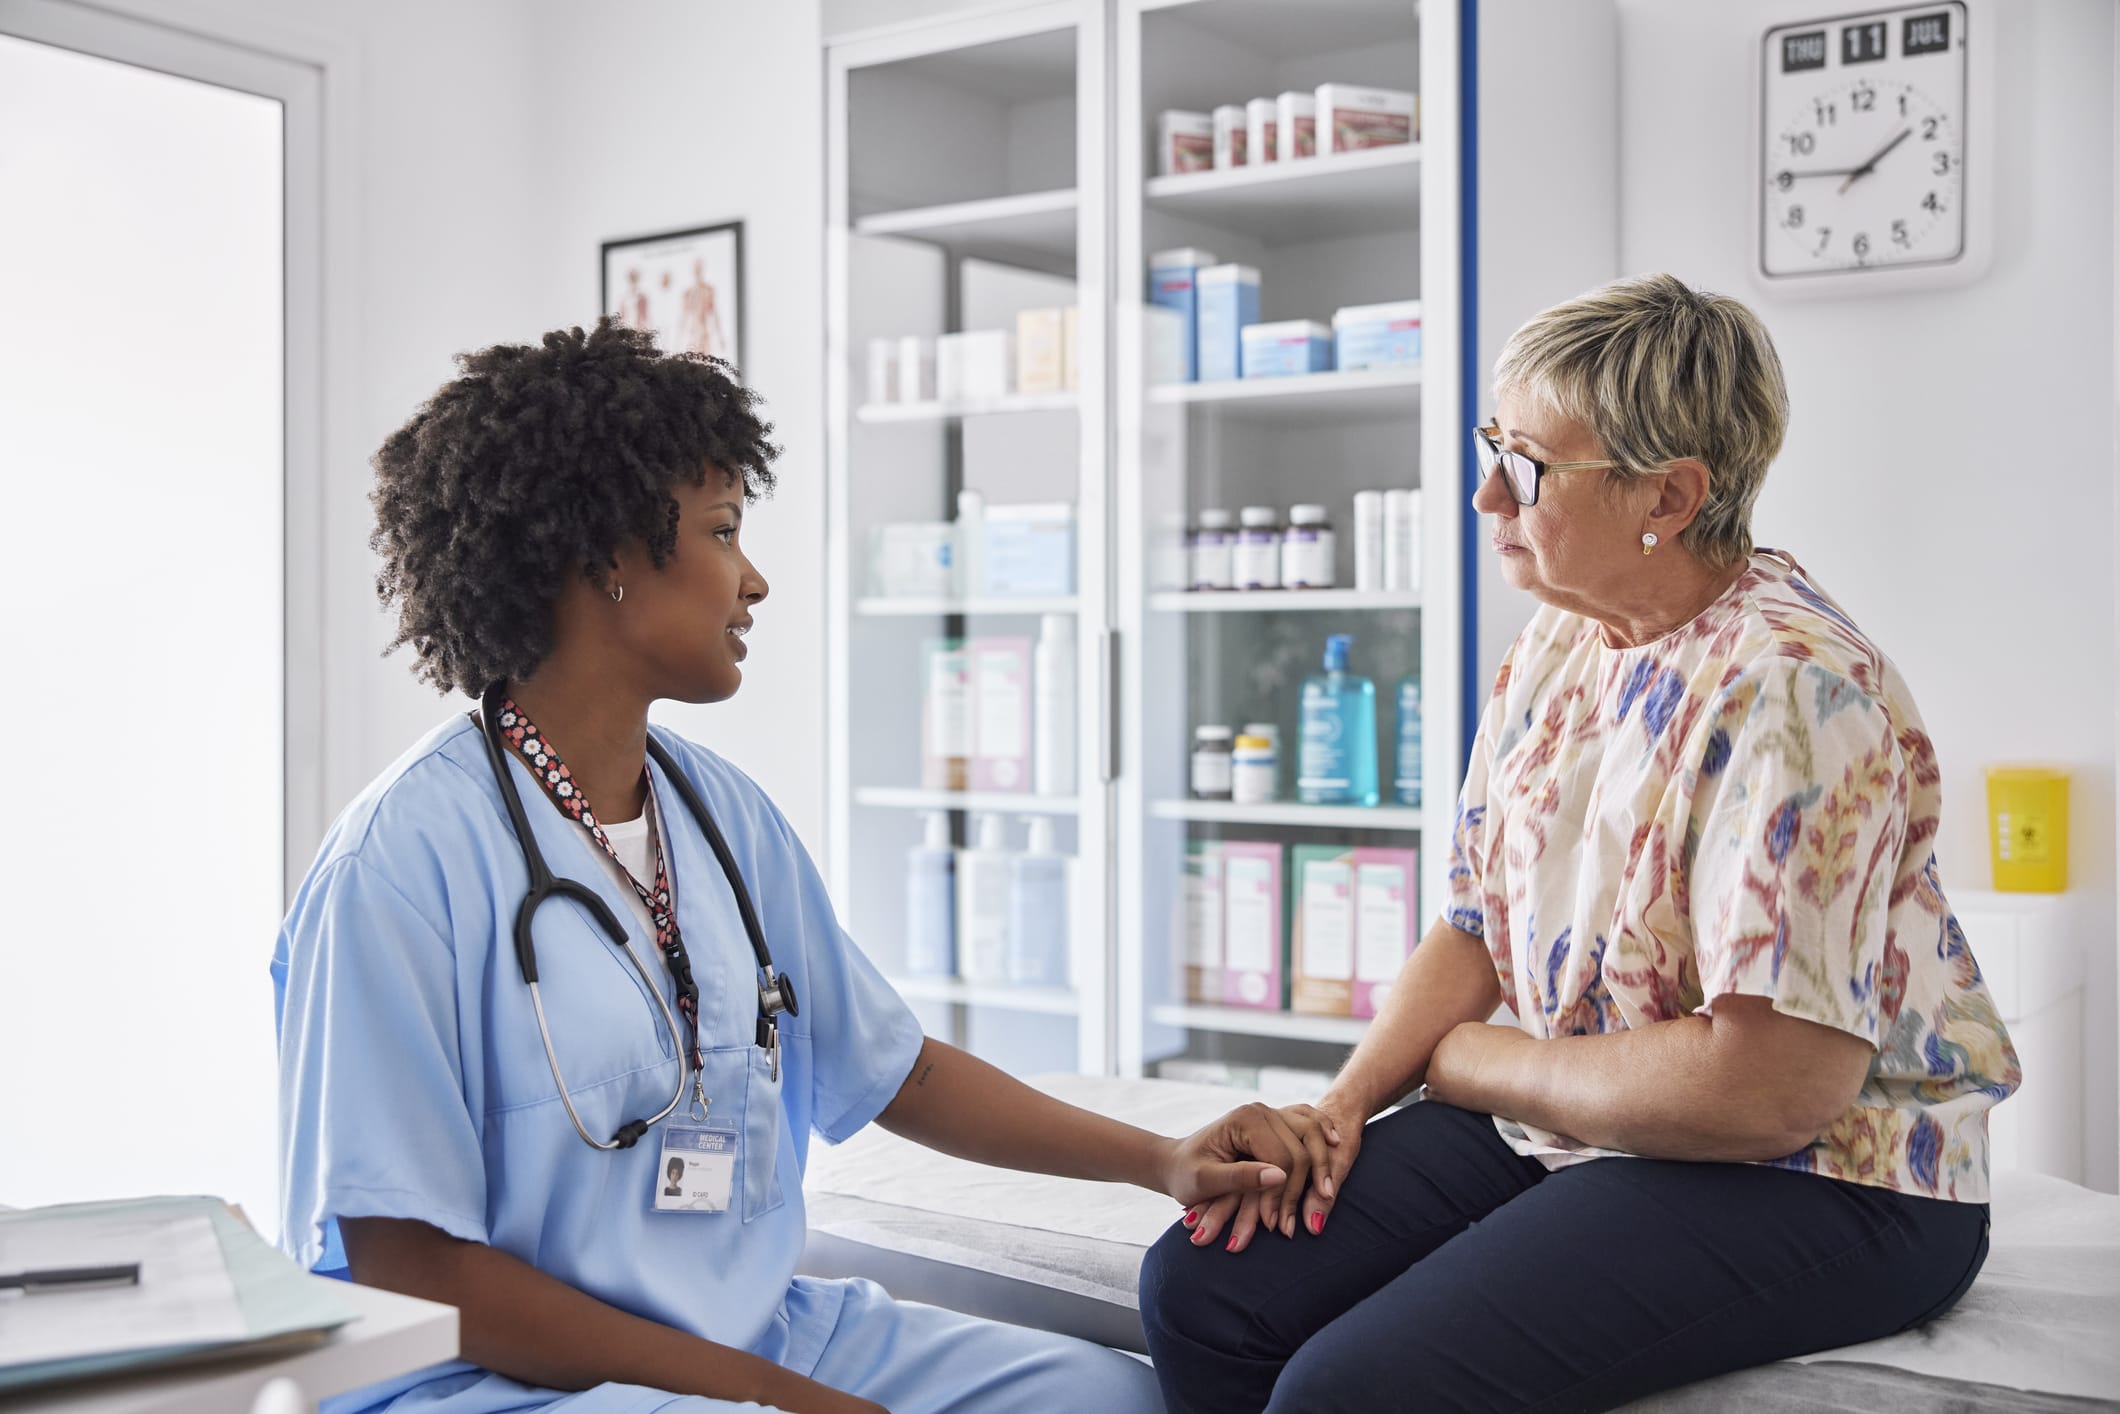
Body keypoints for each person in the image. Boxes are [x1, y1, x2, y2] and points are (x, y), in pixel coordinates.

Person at [273, 319, 1292, 1414]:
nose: (751, 581)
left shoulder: (720, 816)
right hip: (500, 1384)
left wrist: (1161, 1159)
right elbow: (406, 1267)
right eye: (721, 532)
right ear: (606, 559)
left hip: (763, 1336)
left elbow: (895, 1070)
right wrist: (763, 1396)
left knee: (1114, 1402)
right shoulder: (400, 866)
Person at [1138, 274, 2021, 1413]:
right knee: (1204, 1285)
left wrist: (1466, 1065)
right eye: (1490, 445)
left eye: (1526, 469)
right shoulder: (1560, 642)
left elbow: (1765, 1094)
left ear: (1668, 493)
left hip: (1833, 1172)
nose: (1480, 494)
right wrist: (1343, 1107)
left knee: (1354, 1389)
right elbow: (1473, 924)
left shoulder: (1795, 692)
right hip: (1590, 1112)